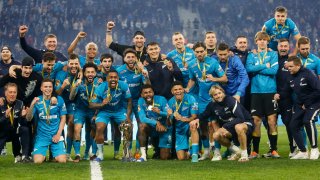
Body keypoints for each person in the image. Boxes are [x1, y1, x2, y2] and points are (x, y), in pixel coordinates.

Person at [186, 42, 227, 161]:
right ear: (194, 52)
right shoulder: (192, 64)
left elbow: (224, 78)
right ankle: (206, 151)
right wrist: (187, 89)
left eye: (201, 51)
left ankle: (217, 152)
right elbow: (192, 79)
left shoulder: (213, 62)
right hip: (201, 100)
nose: (199, 53)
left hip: (213, 100)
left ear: (205, 51)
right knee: (203, 126)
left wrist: (214, 78)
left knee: (214, 125)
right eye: (197, 52)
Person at [195, 85, 253, 162]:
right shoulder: (212, 105)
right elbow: (205, 114)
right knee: (216, 135)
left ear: (223, 92)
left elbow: (240, 118)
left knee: (238, 127)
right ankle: (236, 151)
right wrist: (196, 120)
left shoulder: (231, 100)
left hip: (245, 123)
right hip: (230, 127)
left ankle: (244, 155)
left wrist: (225, 127)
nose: (218, 96)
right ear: (212, 96)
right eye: (215, 94)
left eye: (219, 93)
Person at [245, 31, 279, 158]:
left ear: (267, 41)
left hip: (270, 91)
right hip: (256, 92)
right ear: (256, 41)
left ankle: (274, 150)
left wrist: (257, 68)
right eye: (260, 39)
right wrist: (265, 65)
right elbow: (249, 69)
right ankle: (255, 151)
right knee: (256, 121)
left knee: (271, 121)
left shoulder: (273, 54)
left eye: (265, 40)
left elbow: (274, 71)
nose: (262, 41)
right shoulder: (251, 55)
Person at [281, 56, 320, 160]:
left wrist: (307, 103)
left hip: (315, 102)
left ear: (298, 65)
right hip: (301, 103)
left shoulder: (309, 74)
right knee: (293, 125)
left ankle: (315, 149)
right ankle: (303, 151)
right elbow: (286, 90)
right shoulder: (290, 76)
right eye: (288, 66)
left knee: (308, 120)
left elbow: (318, 90)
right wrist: (278, 95)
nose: (288, 68)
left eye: (291, 66)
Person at [89, 69, 132, 161]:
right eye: (110, 77)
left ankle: (124, 153)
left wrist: (128, 117)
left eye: (115, 77)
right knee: (99, 128)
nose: (113, 79)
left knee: (127, 127)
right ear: (106, 79)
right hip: (104, 111)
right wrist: (102, 104)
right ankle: (100, 154)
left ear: (118, 78)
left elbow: (129, 101)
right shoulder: (100, 88)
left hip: (119, 111)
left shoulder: (123, 85)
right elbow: (91, 104)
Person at [116, 48, 150, 158]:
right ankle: (127, 151)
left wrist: (145, 74)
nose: (131, 59)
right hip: (124, 102)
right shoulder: (119, 71)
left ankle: (138, 150)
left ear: (136, 58)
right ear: (124, 59)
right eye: (128, 57)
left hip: (138, 101)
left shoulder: (141, 70)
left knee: (142, 125)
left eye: (133, 57)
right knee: (127, 126)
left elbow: (147, 86)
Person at [26, 79, 67, 164]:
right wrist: (32, 105)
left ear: (52, 88)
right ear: (41, 88)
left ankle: (53, 154)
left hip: (56, 135)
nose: (48, 89)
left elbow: (63, 118)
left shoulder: (59, 100)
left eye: (50, 87)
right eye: (45, 87)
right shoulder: (37, 101)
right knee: (37, 161)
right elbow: (28, 118)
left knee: (62, 161)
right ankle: (43, 155)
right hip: (42, 136)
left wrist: (58, 134)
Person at [69, 63, 99, 162]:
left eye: (92, 72)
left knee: (93, 129)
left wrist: (95, 115)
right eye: (88, 72)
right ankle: (77, 154)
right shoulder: (79, 84)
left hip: (93, 111)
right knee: (77, 128)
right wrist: (74, 87)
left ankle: (90, 153)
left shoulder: (99, 85)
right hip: (80, 110)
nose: (90, 74)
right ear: (84, 73)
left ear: (95, 73)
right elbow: (71, 97)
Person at [55, 53, 81, 161]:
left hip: (73, 103)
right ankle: (64, 152)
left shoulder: (81, 74)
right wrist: (63, 86)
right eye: (72, 63)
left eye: (76, 63)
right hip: (61, 102)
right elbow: (57, 92)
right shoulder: (60, 74)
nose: (74, 66)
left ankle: (74, 153)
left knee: (71, 123)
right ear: (68, 64)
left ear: (79, 64)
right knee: (61, 126)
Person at [137, 84, 172, 161]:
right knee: (142, 126)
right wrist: (156, 122)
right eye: (145, 93)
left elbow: (168, 114)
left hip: (163, 128)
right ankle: (143, 155)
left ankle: (161, 149)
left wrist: (160, 112)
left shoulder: (161, 99)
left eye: (150, 92)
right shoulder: (140, 101)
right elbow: (142, 118)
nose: (148, 94)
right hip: (151, 128)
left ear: (153, 92)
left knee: (164, 157)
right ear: (142, 95)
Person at [167, 81, 199, 162]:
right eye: (175, 90)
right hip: (179, 130)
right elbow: (169, 123)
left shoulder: (191, 98)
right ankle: (190, 152)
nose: (178, 91)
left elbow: (194, 117)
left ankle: (195, 154)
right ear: (172, 91)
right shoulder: (170, 102)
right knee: (181, 158)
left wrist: (182, 118)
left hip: (189, 125)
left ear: (183, 90)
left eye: (180, 89)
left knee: (193, 125)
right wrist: (168, 117)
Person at [0, 83, 30, 163]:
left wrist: (23, 117)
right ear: (5, 93)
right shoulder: (1, 104)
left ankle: (24, 156)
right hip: (2, 133)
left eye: (14, 92)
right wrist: (4, 117)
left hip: (14, 132)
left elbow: (23, 123)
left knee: (25, 129)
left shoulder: (20, 103)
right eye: (10, 92)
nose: (12, 94)